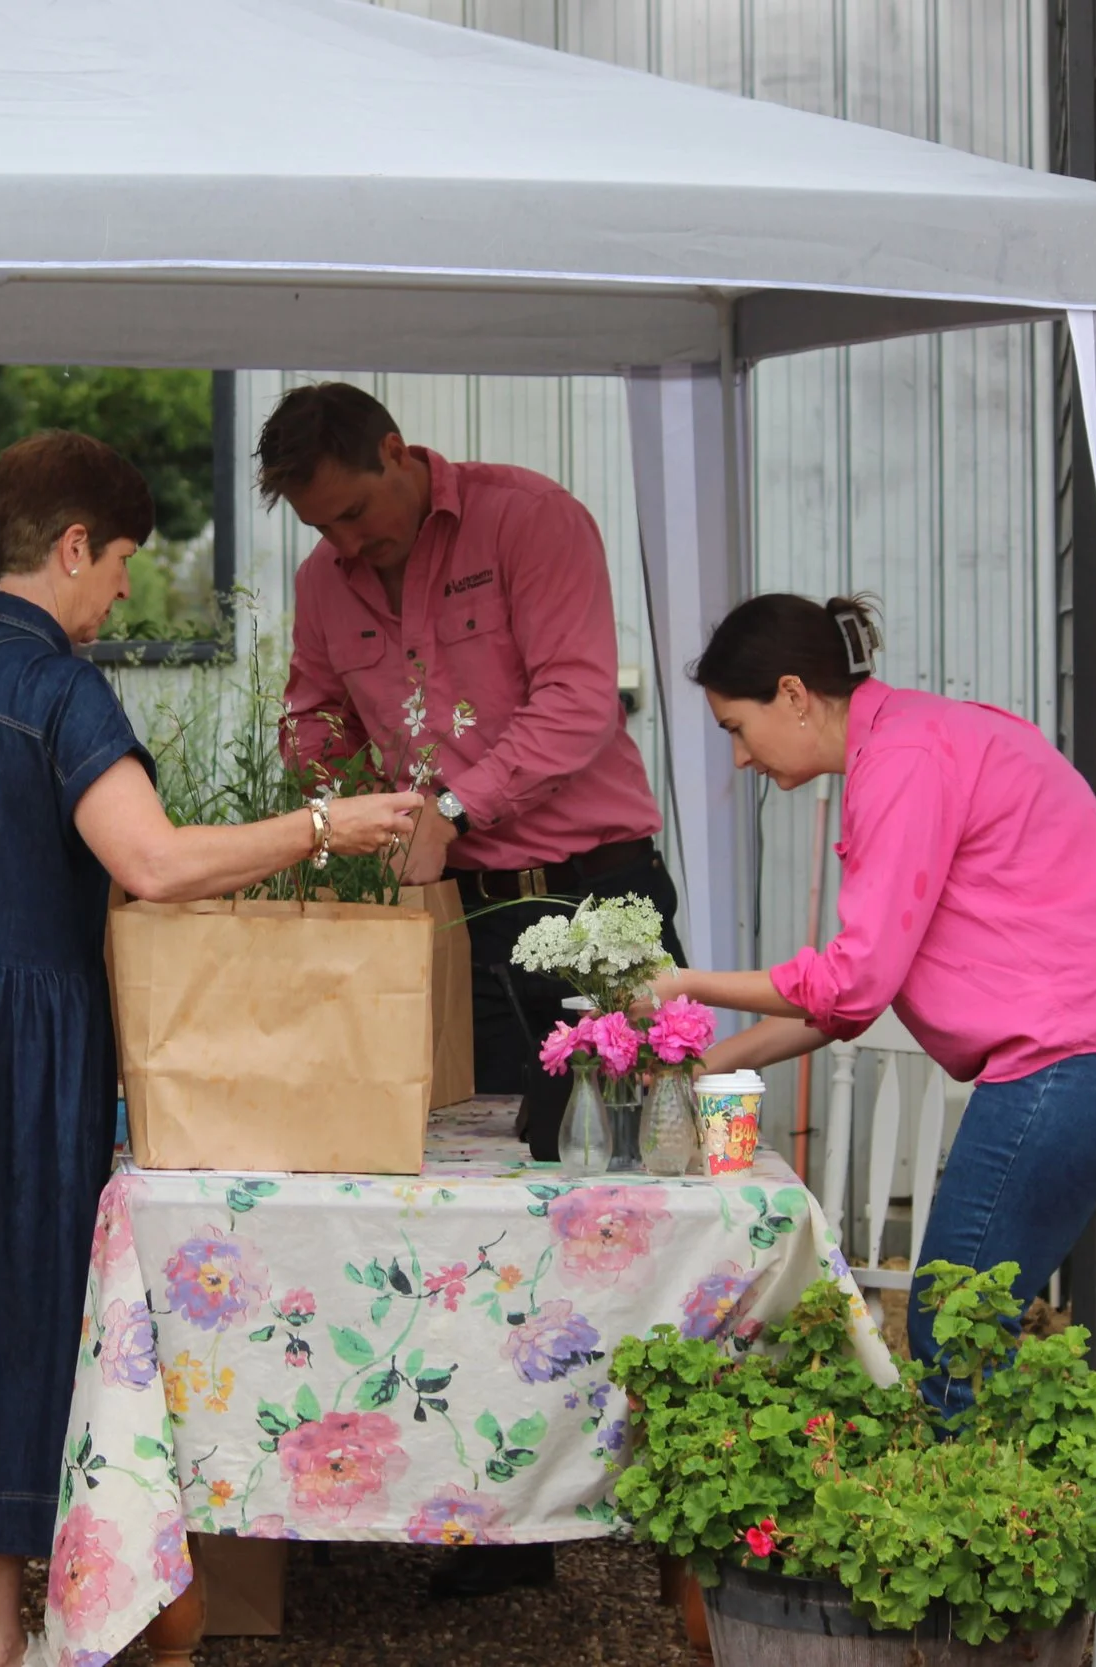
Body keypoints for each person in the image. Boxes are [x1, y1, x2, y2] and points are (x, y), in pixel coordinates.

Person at [0, 431, 423, 1667]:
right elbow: (153, 863)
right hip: (13, 1035)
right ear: (71, 546)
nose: (120, 587)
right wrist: (325, 823)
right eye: (119, 561)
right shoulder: (60, 689)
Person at [263, 380, 672, 1597]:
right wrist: (319, 771)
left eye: (355, 516)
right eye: (319, 531)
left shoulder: (529, 519)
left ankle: (630, 1491)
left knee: (605, 1198)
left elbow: (578, 701)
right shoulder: (322, 579)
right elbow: (312, 709)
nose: (345, 548)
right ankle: (488, 1517)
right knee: (457, 1200)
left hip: (584, 892)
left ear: (398, 453)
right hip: (444, 910)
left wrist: (443, 803)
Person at [653, 594, 1096, 1405]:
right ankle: (1019, 1508)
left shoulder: (906, 760)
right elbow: (855, 997)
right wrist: (715, 1059)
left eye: (734, 728)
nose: (739, 758)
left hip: (1075, 1055)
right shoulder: (912, 738)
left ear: (793, 695)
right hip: (1092, 1049)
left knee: (954, 1324)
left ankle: (999, 1523)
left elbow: (850, 980)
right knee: (965, 1324)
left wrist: (684, 983)